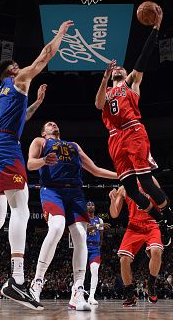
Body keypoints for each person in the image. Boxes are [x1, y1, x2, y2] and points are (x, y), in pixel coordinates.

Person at [0, 20, 73, 311]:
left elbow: (18, 115)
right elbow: (45, 55)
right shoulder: (20, 78)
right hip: (4, 146)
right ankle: (17, 280)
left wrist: (35, 103)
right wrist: (61, 34)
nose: (22, 66)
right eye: (17, 66)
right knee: (21, 208)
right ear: (12, 70)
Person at [94, 6, 173, 246]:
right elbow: (98, 103)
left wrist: (156, 27)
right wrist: (103, 79)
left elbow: (143, 56)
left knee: (146, 182)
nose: (119, 69)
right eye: (116, 70)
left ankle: (172, 219)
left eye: (122, 68)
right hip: (115, 138)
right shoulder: (108, 90)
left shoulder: (131, 83)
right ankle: (161, 220)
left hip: (133, 131)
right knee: (131, 190)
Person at [27, 121, 117, 310]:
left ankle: (77, 291)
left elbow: (95, 170)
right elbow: (30, 164)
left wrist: (122, 176)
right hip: (52, 190)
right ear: (44, 132)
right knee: (58, 226)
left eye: (55, 123)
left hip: (75, 194)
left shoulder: (74, 146)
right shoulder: (40, 142)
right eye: (48, 124)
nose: (53, 123)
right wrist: (44, 160)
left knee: (80, 236)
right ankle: (37, 282)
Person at [109, 178, 165, 307]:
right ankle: (130, 294)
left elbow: (161, 197)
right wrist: (113, 200)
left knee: (156, 251)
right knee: (123, 260)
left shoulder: (149, 179)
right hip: (134, 226)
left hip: (152, 223)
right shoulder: (123, 188)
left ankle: (151, 285)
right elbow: (114, 214)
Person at [86, 200, 110, 306]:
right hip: (84, 247)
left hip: (95, 249)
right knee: (80, 272)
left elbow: (101, 235)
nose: (91, 206)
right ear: (86, 207)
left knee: (95, 271)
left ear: (94, 207)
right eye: (89, 205)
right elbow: (86, 229)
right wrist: (97, 226)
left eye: (92, 205)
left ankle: (91, 296)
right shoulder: (83, 219)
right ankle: (76, 294)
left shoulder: (99, 219)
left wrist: (99, 246)